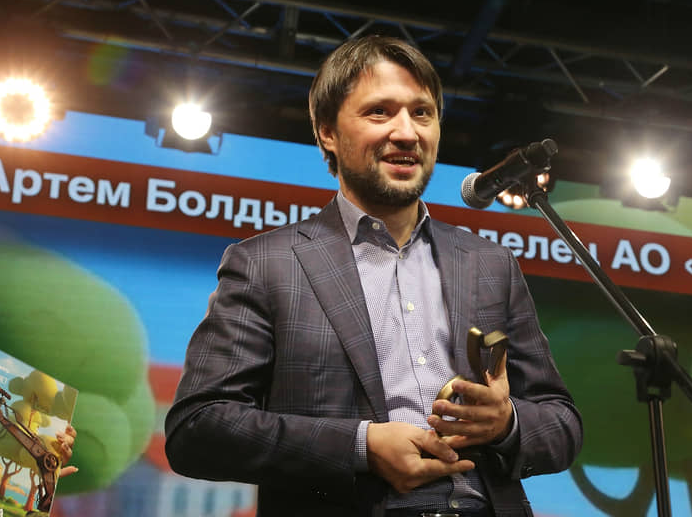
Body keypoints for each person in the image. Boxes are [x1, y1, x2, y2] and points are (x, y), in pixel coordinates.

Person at [164, 35, 583, 517]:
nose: (407, 133)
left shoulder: (490, 263)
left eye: (422, 113)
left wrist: (506, 423)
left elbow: (562, 424)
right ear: (327, 132)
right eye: (379, 112)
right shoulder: (265, 263)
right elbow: (198, 428)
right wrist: (361, 446)